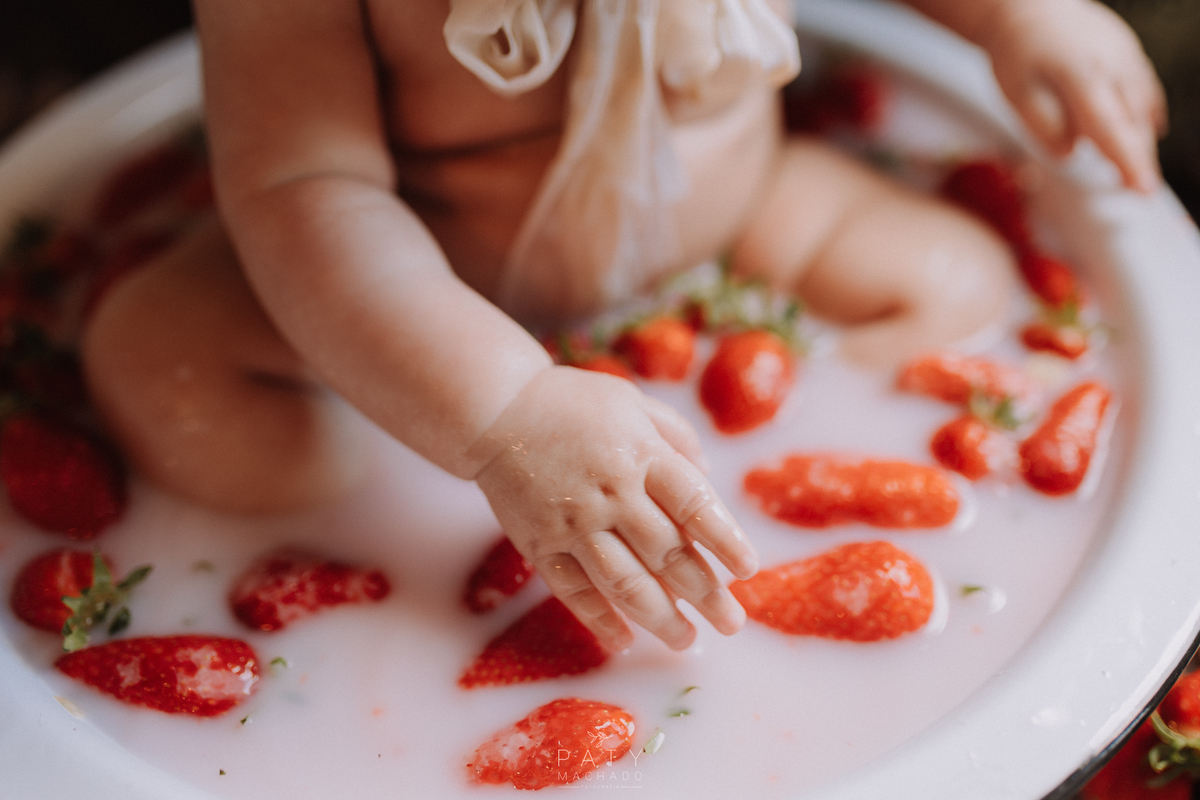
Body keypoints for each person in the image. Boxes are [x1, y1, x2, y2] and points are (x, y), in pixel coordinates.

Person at [81, 0, 1166, 654]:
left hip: (737, 233)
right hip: (420, 292)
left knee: (957, 278)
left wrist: (1023, 18)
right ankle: (378, 506)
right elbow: (303, 189)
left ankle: (722, 491)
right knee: (157, 365)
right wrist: (499, 406)